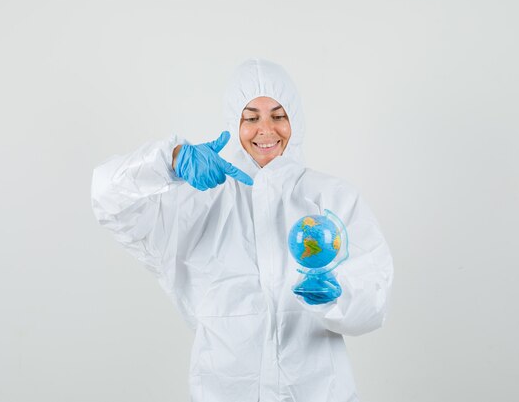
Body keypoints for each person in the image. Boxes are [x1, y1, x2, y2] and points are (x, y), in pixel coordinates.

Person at [91, 58, 394, 402]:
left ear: (295, 119)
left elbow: (375, 299)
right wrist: (169, 161)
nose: (266, 129)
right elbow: (107, 198)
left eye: (278, 115)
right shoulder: (197, 203)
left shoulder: (330, 199)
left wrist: (338, 296)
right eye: (251, 118)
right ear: (233, 123)